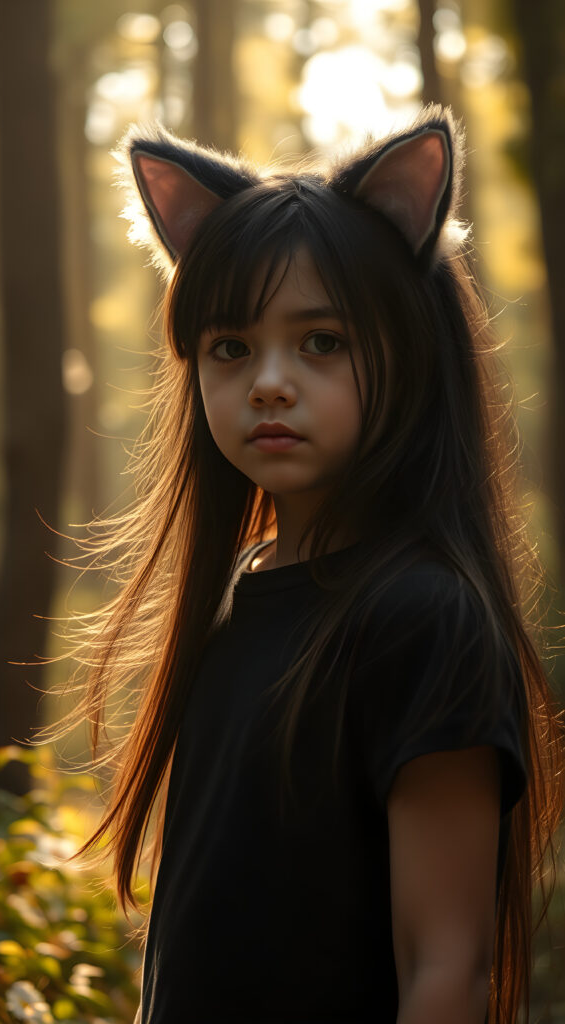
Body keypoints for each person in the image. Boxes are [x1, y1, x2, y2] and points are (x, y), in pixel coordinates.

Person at [43, 105, 563, 1023]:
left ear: (407, 348)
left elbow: (445, 969)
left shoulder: (422, 617)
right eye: (230, 348)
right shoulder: (236, 594)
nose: (269, 382)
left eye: (322, 341)